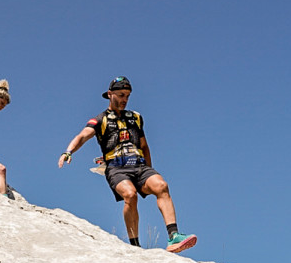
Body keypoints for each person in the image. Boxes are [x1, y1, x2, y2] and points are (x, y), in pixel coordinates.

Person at [58, 76, 196, 253]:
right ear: (110, 94)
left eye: (128, 96)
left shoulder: (136, 118)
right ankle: (135, 245)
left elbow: (144, 145)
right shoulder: (100, 119)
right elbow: (82, 136)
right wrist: (68, 151)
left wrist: (149, 170)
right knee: (130, 195)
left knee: (161, 186)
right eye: (121, 94)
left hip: (139, 165)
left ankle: (174, 237)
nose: (125, 99)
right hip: (116, 167)